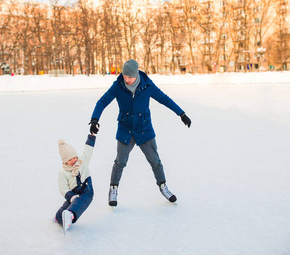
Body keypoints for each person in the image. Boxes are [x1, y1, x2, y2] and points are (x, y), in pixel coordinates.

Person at [89, 59, 191, 207]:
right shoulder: (118, 86)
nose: (126, 80)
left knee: (155, 161)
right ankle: (113, 189)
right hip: (125, 129)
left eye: (129, 77)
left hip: (144, 129)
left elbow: (164, 99)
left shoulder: (147, 85)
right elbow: (102, 101)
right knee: (120, 162)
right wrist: (94, 119)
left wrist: (181, 113)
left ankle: (163, 187)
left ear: (136, 75)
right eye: (124, 76)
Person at [55, 134, 96, 233]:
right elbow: (63, 188)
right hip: (73, 194)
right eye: (69, 160)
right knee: (70, 205)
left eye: (74, 157)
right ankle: (59, 217)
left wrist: (92, 136)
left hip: (86, 191)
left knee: (80, 202)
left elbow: (88, 150)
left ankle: (70, 215)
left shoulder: (82, 162)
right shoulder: (63, 173)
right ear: (65, 161)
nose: (73, 160)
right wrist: (71, 196)